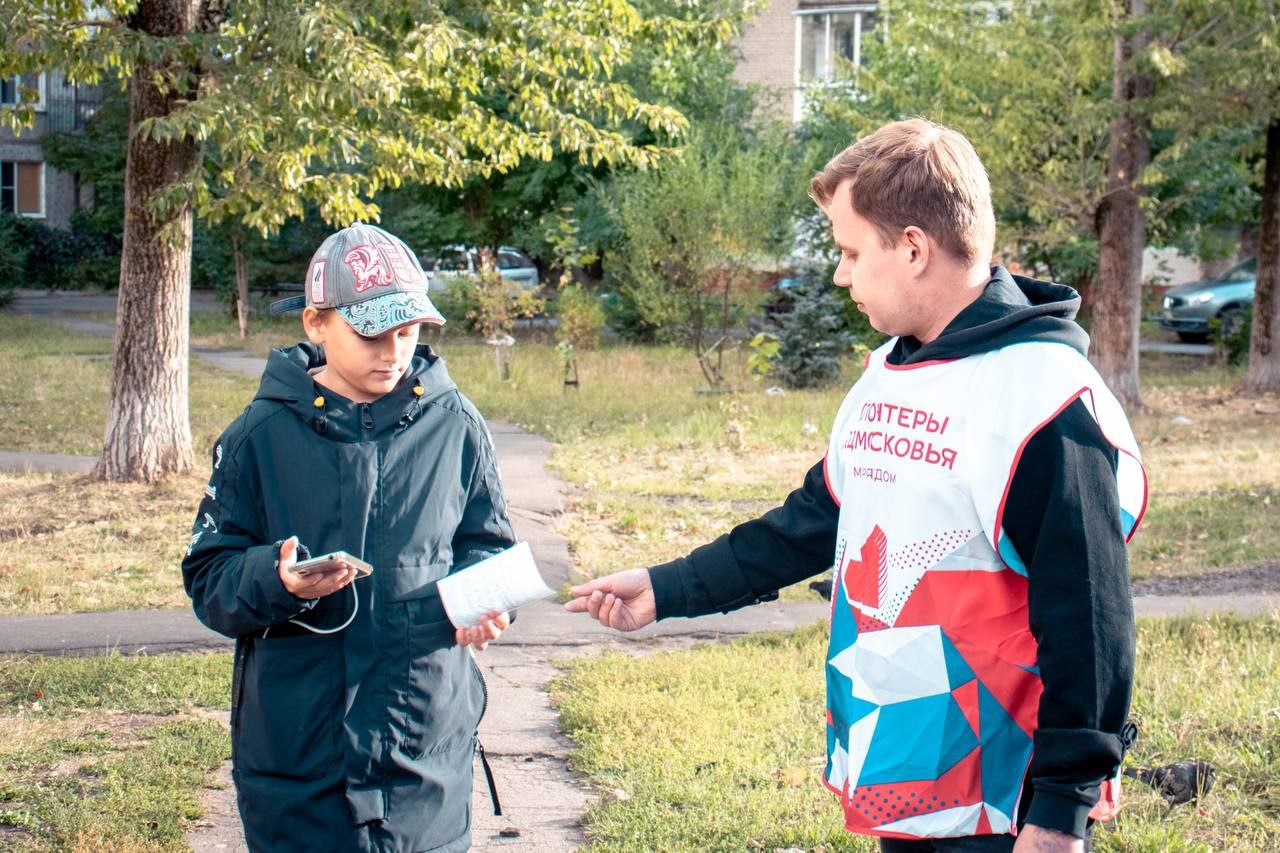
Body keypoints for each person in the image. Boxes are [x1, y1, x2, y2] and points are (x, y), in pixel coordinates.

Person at [565, 119, 1147, 853]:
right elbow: (814, 520)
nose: (840, 274)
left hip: (1004, 803)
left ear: (912, 248)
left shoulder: (1045, 401)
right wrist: (668, 586)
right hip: (904, 771)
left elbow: (1091, 617)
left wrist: (1063, 807)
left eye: (849, 250)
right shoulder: (886, 375)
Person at [182, 223, 516, 853]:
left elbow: (488, 544)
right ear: (316, 323)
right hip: (299, 759)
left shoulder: (458, 425)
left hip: (423, 754)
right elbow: (208, 579)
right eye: (371, 333)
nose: (393, 351)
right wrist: (274, 581)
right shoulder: (257, 435)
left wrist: (489, 600)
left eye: (409, 331)